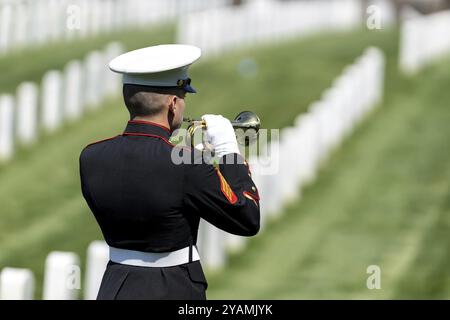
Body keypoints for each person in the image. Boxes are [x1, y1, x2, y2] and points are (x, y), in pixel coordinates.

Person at [79, 44, 260, 300]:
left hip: (116, 287)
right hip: (174, 288)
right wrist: (229, 151)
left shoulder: (91, 156)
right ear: (173, 104)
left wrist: (196, 165)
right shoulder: (188, 164)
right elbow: (247, 218)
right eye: (183, 97)